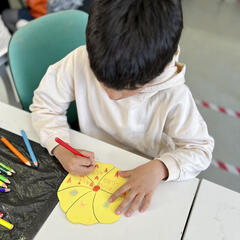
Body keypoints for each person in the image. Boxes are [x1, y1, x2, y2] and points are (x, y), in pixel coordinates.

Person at [30, 0, 214, 217]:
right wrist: (59, 148)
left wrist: (159, 169)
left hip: (147, 172)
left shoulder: (174, 95)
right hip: (96, 162)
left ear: (157, 71)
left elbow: (199, 150)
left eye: (132, 88)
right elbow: (45, 106)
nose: (112, 96)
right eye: (101, 82)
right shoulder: (81, 60)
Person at [2, 0, 85, 33]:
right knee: (7, 15)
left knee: (7, 16)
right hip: (71, 14)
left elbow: (51, 14)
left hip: (51, 17)